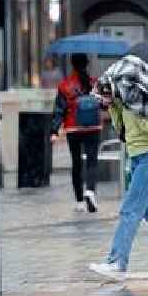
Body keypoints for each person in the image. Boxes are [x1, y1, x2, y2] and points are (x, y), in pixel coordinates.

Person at [88, 56, 148, 281]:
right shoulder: (120, 96)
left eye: (105, 97)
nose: (104, 102)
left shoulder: (140, 97)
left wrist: (130, 109)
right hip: (138, 158)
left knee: (130, 210)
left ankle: (117, 262)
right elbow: (120, 128)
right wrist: (114, 105)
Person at [51, 53, 101, 213]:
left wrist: (54, 130)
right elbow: (105, 104)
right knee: (92, 161)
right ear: (87, 64)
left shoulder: (64, 85)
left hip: (73, 127)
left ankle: (79, 201)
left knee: (76, 163)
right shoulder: (94, 83)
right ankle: (90, 191)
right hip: (93, 126)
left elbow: (60, 110)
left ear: (72, 64)